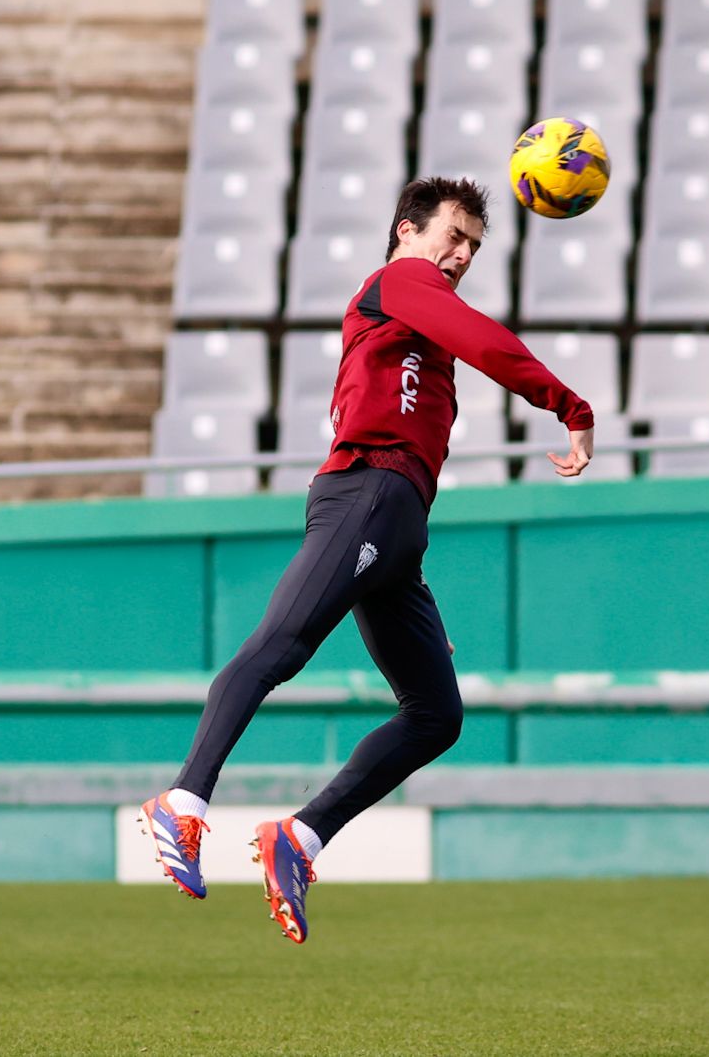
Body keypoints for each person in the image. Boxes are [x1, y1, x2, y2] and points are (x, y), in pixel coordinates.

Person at [141, 177, 594, 942]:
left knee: (436, 713)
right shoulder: (400, 281)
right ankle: (182, 802)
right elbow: (486, 341)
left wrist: (397, 561)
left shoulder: (421, 330)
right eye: (453, 235)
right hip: (365, 497)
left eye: (475, 247)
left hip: (395, 524)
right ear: (406, 233)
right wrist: (569, 406)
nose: (462, 255)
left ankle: (301, 836)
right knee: (278, 646)